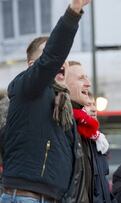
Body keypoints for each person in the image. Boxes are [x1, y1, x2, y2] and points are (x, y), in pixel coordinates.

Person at [0, 1, 89, 202]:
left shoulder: (61, 102)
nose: (61, 61)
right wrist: (73, 13)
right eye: (52, 57)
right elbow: (52, 56)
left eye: (64, 58)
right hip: (27, 197)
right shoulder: (28, 88)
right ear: (33, 65)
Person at [68, 61, 113, 203]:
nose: (94, 109)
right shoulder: (66, 127)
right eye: (81, 78)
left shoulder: (95, 140)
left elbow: (101, 187)